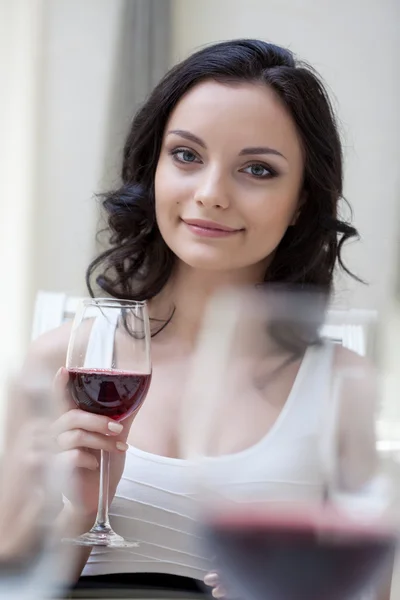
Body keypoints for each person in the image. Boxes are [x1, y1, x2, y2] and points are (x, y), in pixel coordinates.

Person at [22, 39, 392, 598]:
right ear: (154, 170)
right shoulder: (59, 362)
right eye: (187, 156)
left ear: (301, 201)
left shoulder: (345, 385)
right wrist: (76, 514)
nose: (212, 194)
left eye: (258, 169)